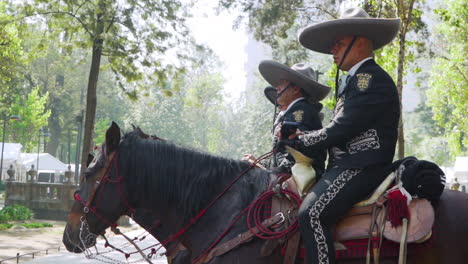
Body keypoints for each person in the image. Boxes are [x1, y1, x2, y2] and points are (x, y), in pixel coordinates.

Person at [282, 7, 401, 263]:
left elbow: (341, 129)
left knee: (311, 214)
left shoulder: (368, 79)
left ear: (360, 41)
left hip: (361, 166)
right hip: (347, 165)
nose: (333, 50)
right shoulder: (355, 79)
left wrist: (302, 140)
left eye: (339, 43)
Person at [244, 60, 331, 178]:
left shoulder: (301, 109)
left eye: (282, 83)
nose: (277, 88)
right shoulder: (294, 110)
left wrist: (274, 174)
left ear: (295, 89)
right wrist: (258, 163)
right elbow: (280, 154)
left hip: (303, 179)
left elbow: (297, 152)